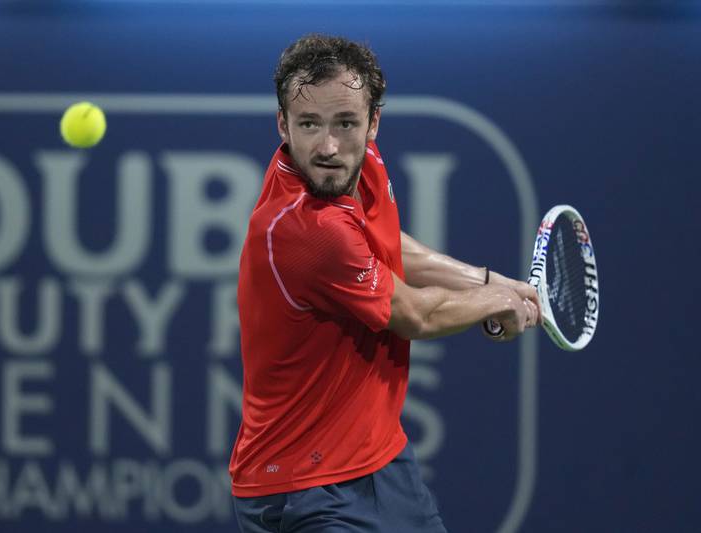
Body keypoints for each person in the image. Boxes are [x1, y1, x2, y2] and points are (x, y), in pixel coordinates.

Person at [229, 34, 541, 533]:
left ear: (373, 123)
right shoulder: (308, 229)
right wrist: (495, 301)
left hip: (382, 461)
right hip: (304, 489)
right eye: (309, 125)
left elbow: (389, 244)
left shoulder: (363, 166)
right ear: (283, 125)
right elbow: (414, 315)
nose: (328, 147)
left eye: (346, 123)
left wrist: (487, 279)